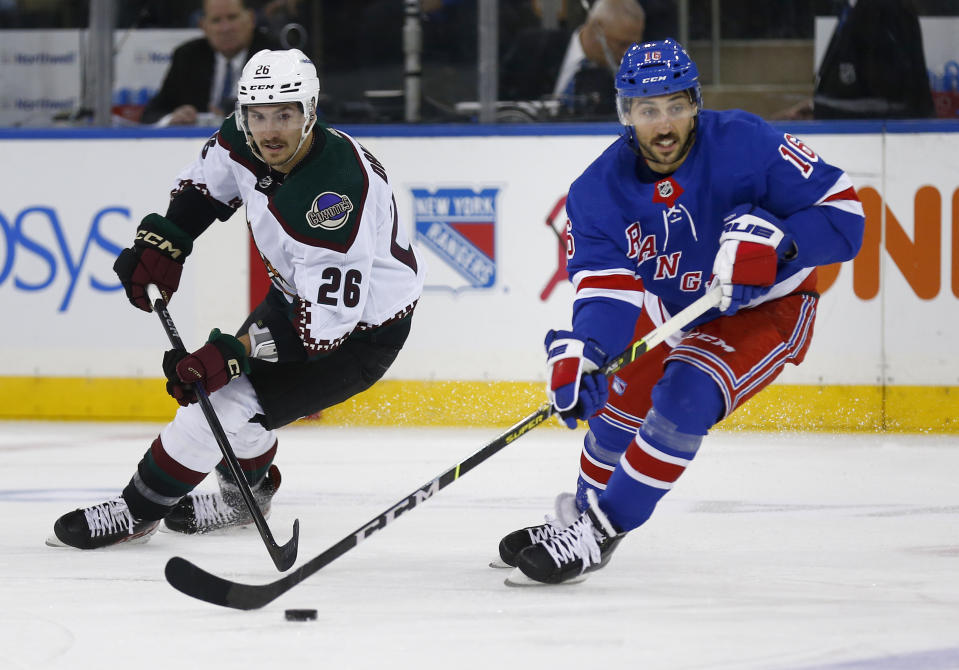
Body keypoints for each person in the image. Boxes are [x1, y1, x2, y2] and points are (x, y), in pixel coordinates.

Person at [496, 39, 866, 585]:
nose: (663, 124)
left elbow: (845, 215)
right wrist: (590, 353)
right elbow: (608, 290)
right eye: (648, 110)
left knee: (684, 395)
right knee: (611, 412)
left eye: (675, 105)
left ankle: (601, 531)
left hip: (770, 307)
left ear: (695, 103)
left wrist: (781, 244)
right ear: (626, 113)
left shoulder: (747, 142)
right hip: (675, 306)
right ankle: (579, 515)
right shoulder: (596, 191)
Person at [48, 49, 424, 549]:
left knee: (222, 402)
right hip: (296, 298)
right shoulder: (244, 136)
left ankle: (137, 513)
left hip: (359, 334)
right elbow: (206, 185)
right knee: (241, 401)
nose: (269, 130)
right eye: (258, 115)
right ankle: (246, 495)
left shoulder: (332, 200)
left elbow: (326, 325)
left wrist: (237, 351)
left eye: (285, 115)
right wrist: (167, 242)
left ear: (311, 111)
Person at [140, 0, 280, 126]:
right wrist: (172, 118)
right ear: (203, 26)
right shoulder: (187, 56)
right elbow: (151, 114)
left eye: (232, 17)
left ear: (251, 18)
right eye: (216, 20)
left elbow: (286, 112)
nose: (225, 28)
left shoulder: (274, 56)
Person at [500, 0, 645, 115]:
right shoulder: (532, 47)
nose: (627, 54)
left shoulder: (624, 80)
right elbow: (501, 103)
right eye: (621, 44)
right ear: (596, 30)